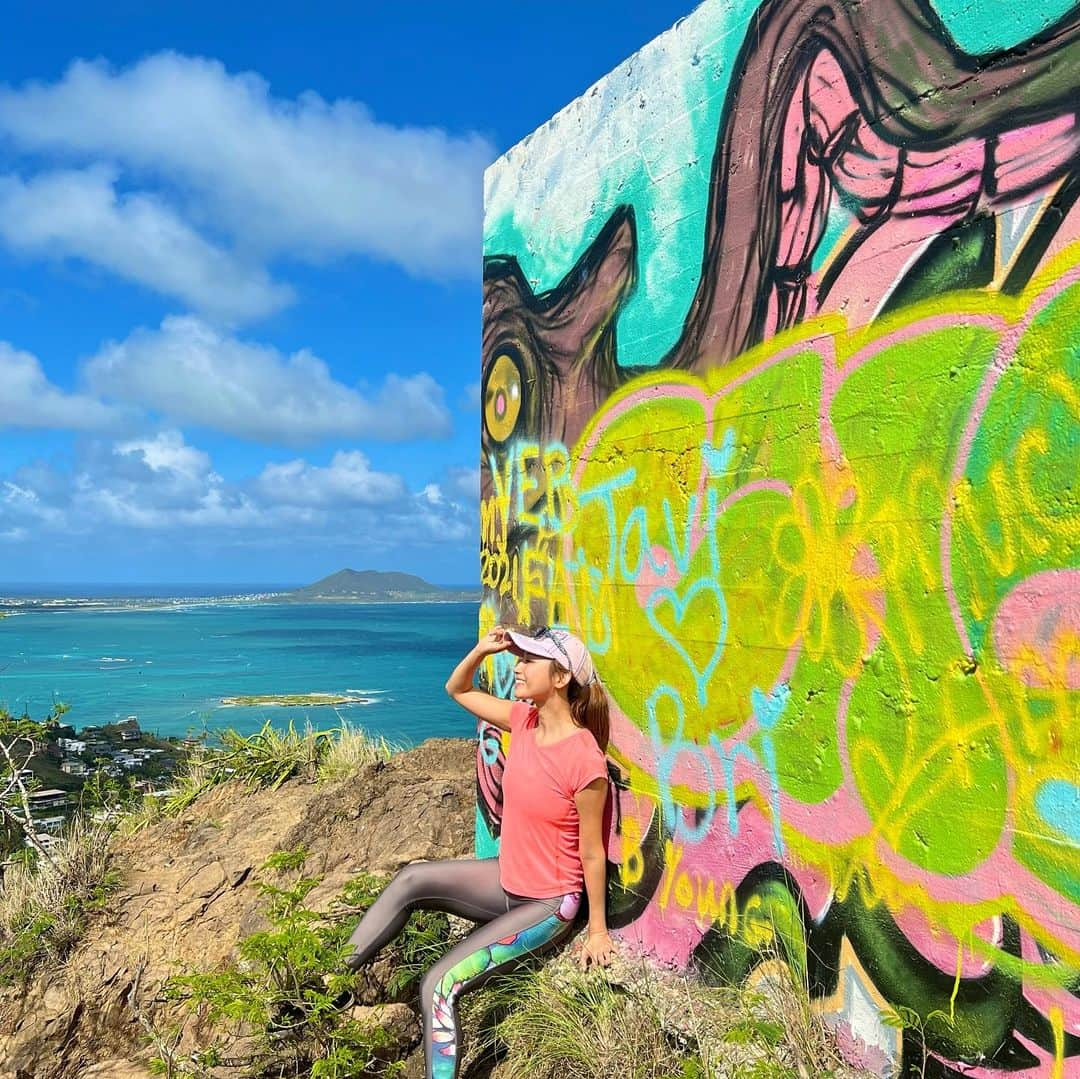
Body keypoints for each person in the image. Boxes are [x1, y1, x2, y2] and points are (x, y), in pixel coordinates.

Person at [342, 623, 615, 1079]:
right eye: (519, 657)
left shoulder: (584, 758)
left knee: (438, 985)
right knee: (412, 878)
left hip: (548, 904)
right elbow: (457, 688)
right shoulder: (524, 722)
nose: (518, 666)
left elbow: (592, 852)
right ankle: (330, 980)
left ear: (562, 677)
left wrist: (598, 931)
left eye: (529, 660)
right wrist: (483, 649)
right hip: (507, 881)